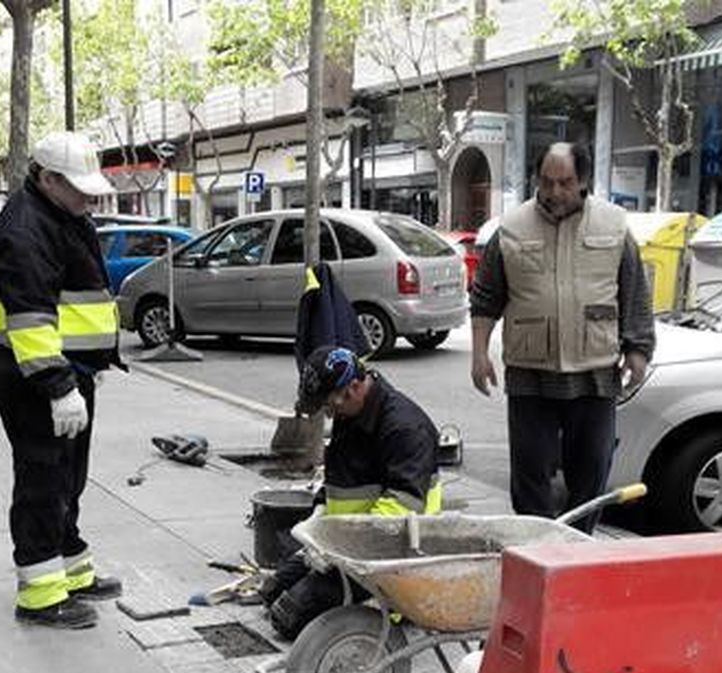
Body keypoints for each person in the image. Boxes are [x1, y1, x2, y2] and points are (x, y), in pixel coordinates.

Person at [468, 142, 655, 532]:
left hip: (595, 371)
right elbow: (485, 296)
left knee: (591, 469)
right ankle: (536, 547)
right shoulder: (511, 228)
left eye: (565, 182)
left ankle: (577, 546)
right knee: (530, 472)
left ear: (583, 180)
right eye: (547, 182)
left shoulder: (613, 225)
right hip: (529, 373)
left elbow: (634, 290)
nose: (555, 192)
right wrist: (479, 354)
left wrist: (638, 349)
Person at [0, 131, 125, 630]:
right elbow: (30, 317)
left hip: (65, 372)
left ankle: (71, 570)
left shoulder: (61, 215)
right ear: (47, 179)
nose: (90, 199)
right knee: (42, 482)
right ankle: (41, 596)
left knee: (68, 479)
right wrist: (58, 385)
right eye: (80, 189)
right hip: (37, 378)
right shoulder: (26, 228)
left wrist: (87, 366)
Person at [261, 346, 442, 640]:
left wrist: (340, 546)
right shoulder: (352, 412)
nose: (328, 413)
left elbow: (400, 508)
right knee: (271, 591)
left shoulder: (406, 428)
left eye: (328, 406)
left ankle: (382, 608)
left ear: (354, 387)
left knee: (287, 617)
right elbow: (340, 479)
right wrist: (320, 513)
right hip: (346, 540)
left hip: (388, 553)